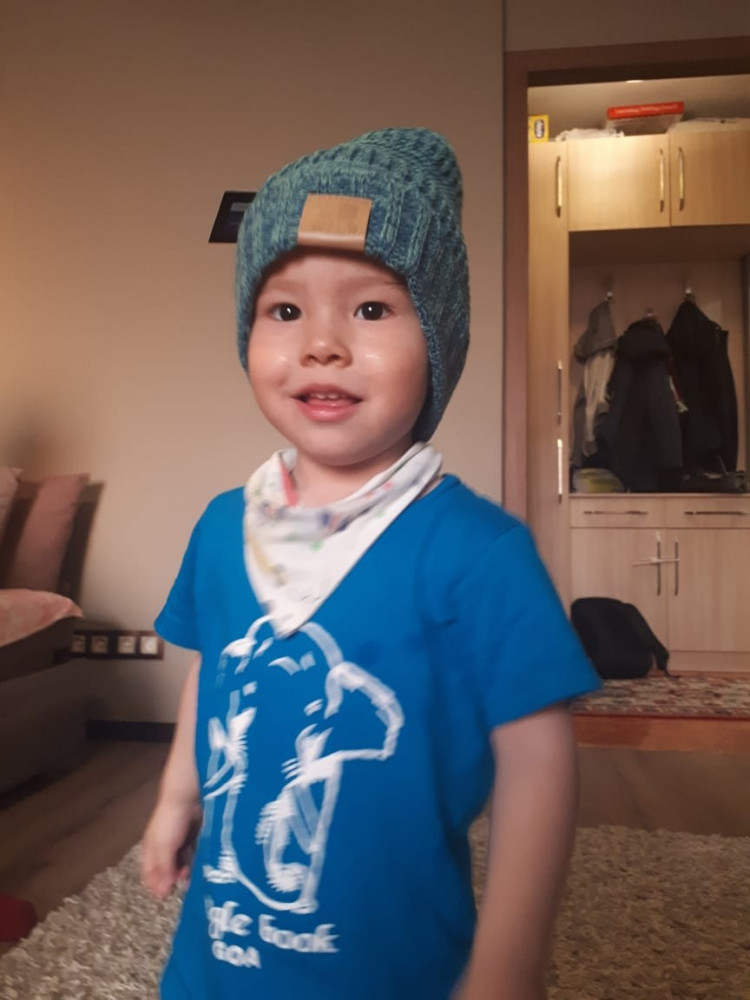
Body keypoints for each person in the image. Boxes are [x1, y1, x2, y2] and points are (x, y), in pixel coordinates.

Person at [141, 127, 600, 1000]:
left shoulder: (477, 552)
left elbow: (537, 762)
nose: (322, 344)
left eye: (372, 310)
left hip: (395, 965)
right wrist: (177, 796)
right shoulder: (225, 526)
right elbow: (216, 672)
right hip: (216, 963)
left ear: (439, 341)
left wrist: (509, 964)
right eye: (285, 312)